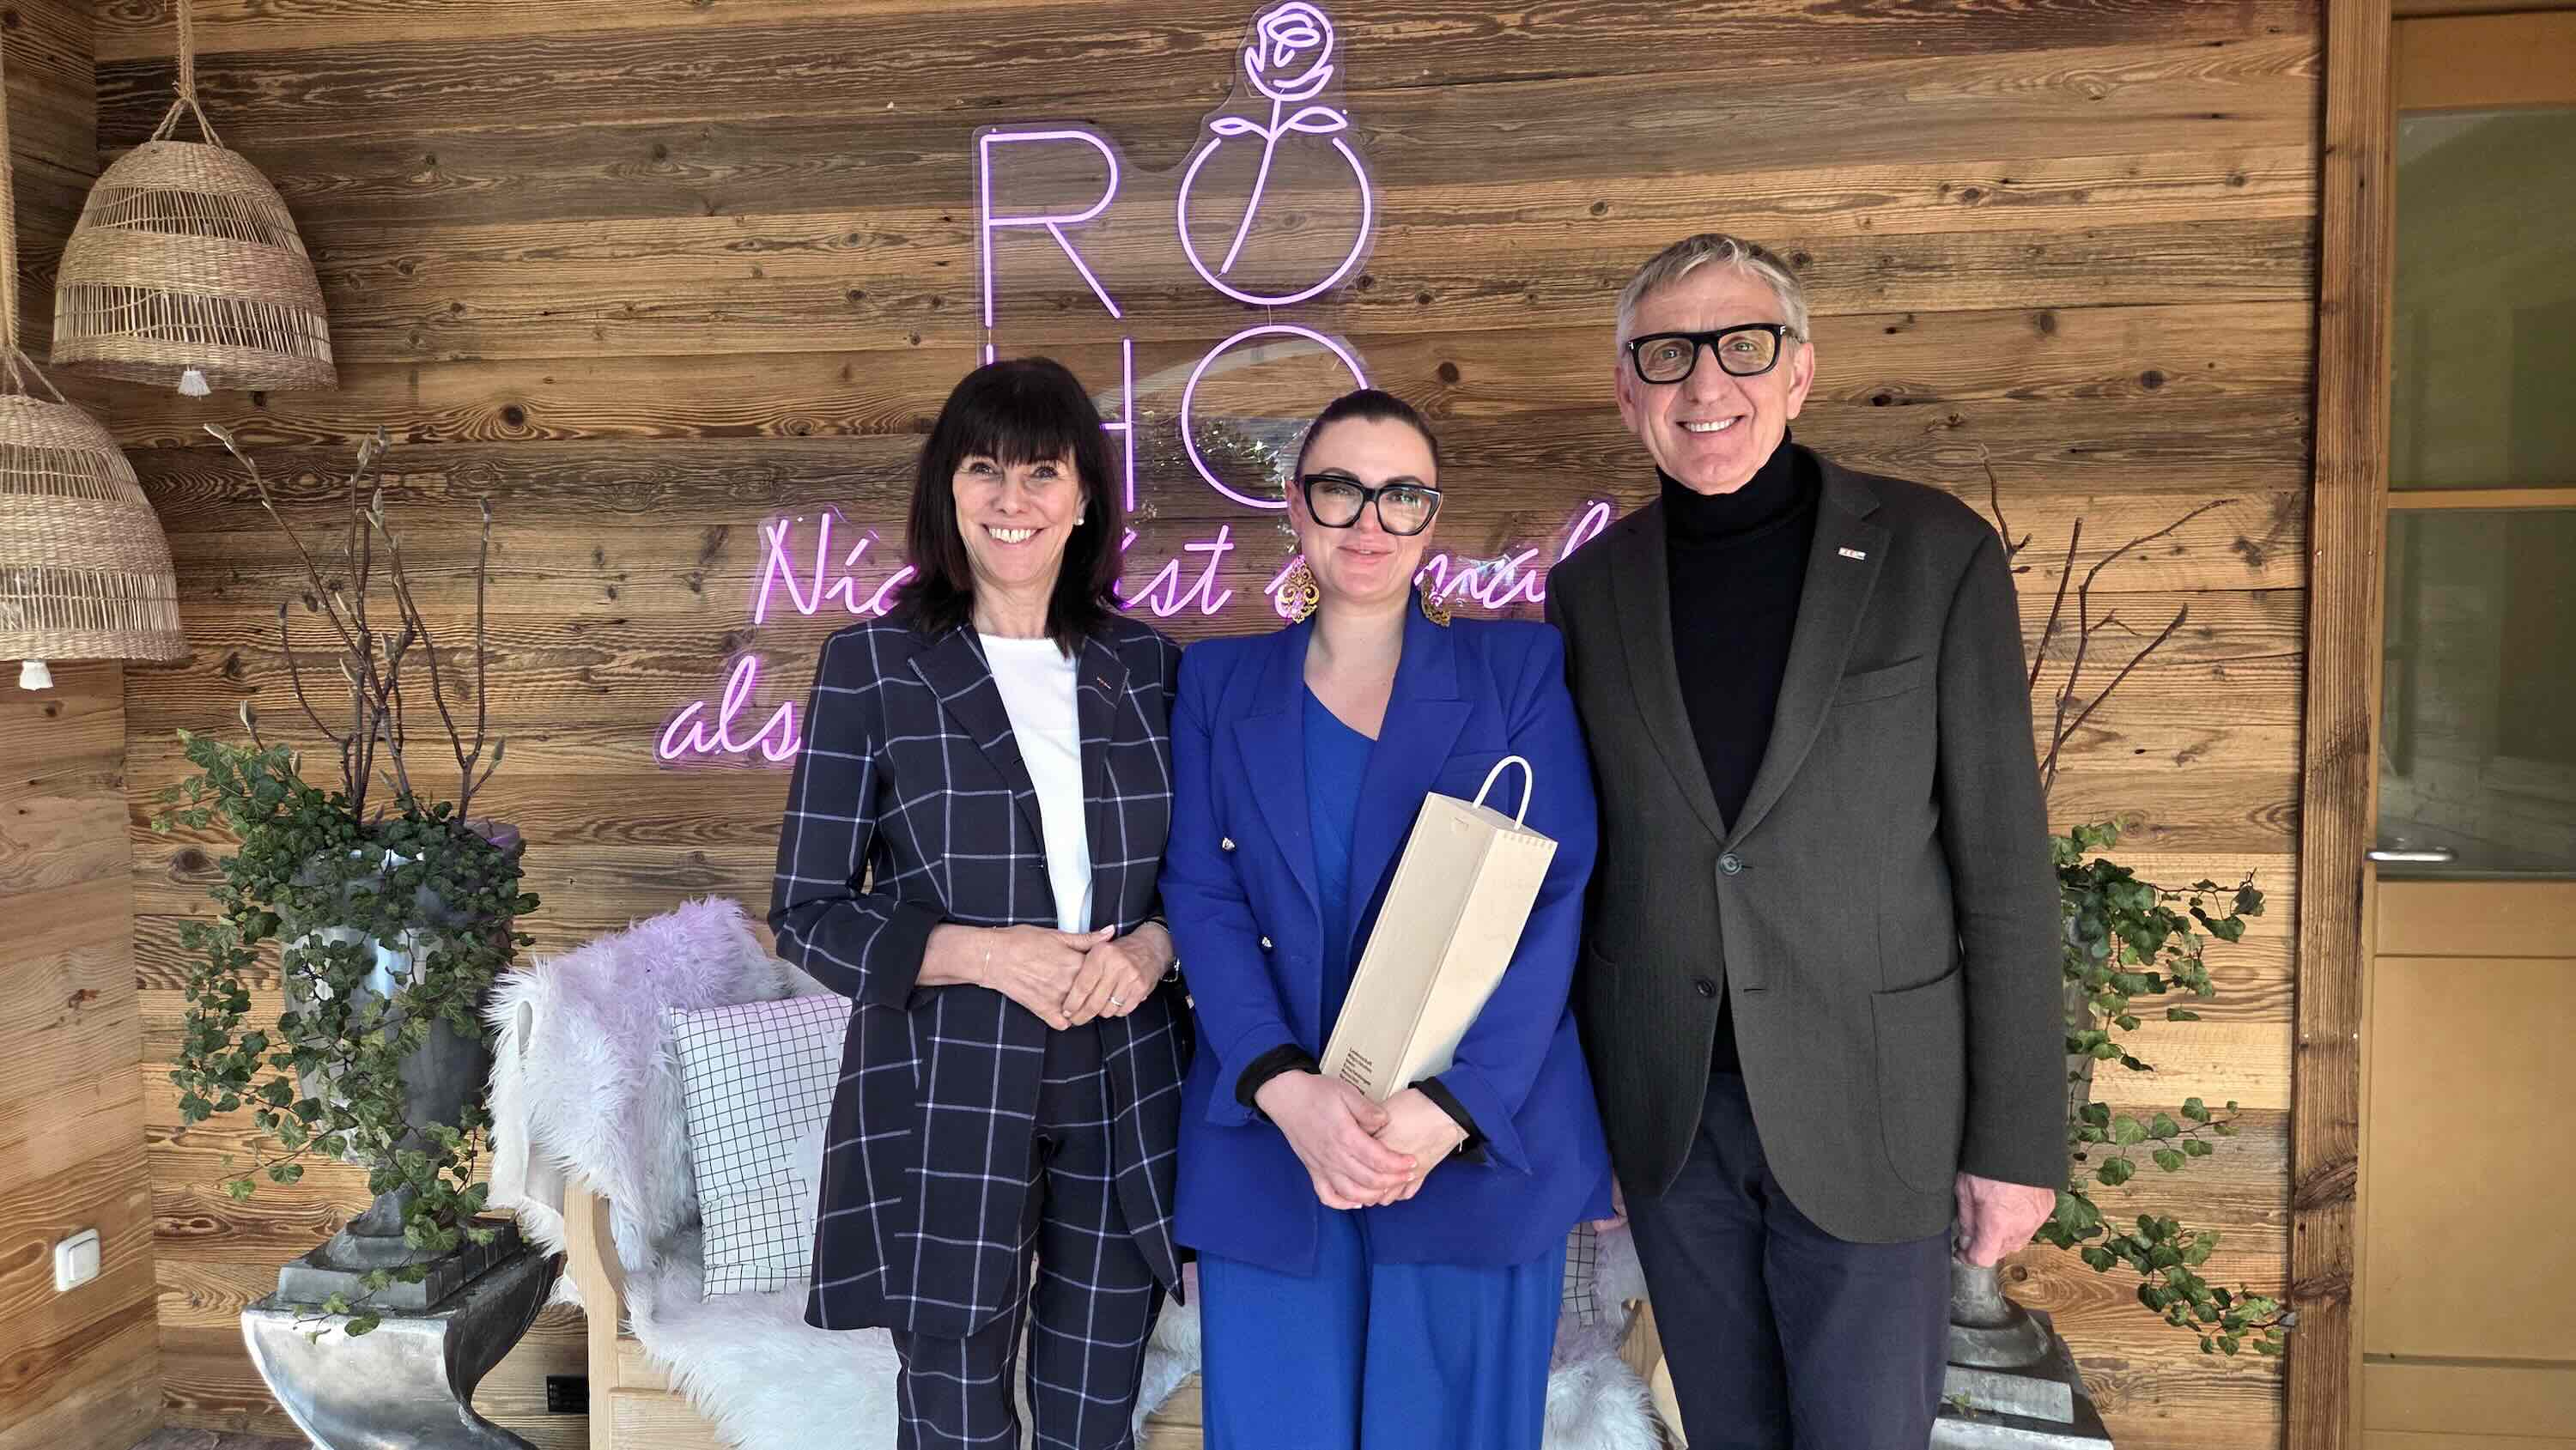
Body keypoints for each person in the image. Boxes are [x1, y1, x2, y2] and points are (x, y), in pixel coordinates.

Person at [1544, 233, 2066, 1447]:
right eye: (1667, 355)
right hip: (1673, 1116)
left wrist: (2014, 1144)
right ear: (1626, 390)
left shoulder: (1934, 554)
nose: (1705, 384)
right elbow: (1586, 869)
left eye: (1743, 346)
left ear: (1800, 371)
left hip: (1874, 1106)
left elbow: (2003, 867)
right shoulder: (1590, 589)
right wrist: (1584, 1124)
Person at [1160, 389, 1613, 1450]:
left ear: (1431, 514)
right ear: (1295, 504)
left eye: (1401, 495)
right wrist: (1284, 1089)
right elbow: (1202, 897)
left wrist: (1451, 1107)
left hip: (1469, 1145)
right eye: (1341, 490)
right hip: (1274, 1143)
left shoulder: (1515, 668)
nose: (1370, 521)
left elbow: (1552, 898)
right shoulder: (1218, 680)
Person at [769, 356, 1188, 1450]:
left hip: (1124, 1076)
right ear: (947, 491)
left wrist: (1153, 948)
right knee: (954, 1414)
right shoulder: (874, 666)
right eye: (984, 469)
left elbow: (1202, 878)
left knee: (1095, 1415)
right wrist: (990, 955)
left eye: (1043, 472)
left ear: (1084, 497)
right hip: (945, 1081)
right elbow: (808, 911)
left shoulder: (1150, 664)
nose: (1014, 499)